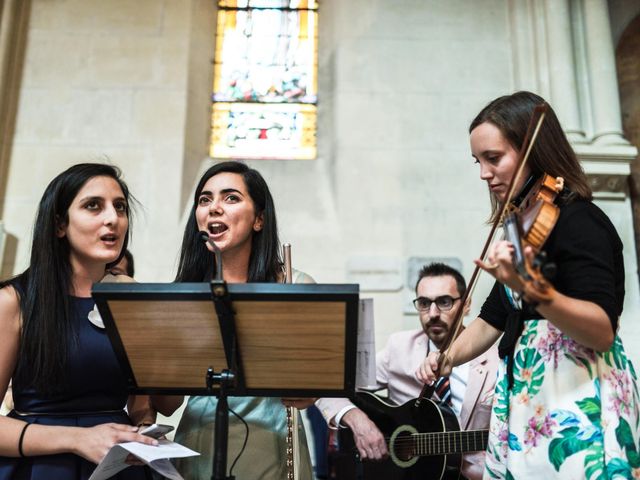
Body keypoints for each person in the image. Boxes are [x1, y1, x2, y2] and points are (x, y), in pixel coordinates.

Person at [418, 91, 640, 479]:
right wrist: (448, 357)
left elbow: (601, 330)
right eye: (478, 161)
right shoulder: (521, 232)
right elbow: (491, 320)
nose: (484, 174)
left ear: (533, 151)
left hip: (579, 394)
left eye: (494, 158)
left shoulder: (580, 221)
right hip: (525, 397)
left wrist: (539, 293)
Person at [0, 163, 158, 480]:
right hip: (42, 467)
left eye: (120, 207)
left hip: (119, 467)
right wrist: (78, 439)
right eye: (93, 206)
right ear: (59, 224)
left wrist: (145, 430)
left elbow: (155, 403)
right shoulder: (13, 301)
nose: (112, 218)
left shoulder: (131, 300)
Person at [171, 161, 314, 479]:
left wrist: (313, 389)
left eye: (231, 198)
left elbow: (316, 379)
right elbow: (167, 402)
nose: (214, 208)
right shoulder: (183, 294)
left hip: (272, 440)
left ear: (259, 219)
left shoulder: (294, 284)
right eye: (205, 200)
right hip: (199, 441)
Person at [317, 262, 499, 480]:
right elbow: (327, 384)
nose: (432, 313)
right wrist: (357, 420)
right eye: (424, 303)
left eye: (444, 302)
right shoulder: (399, 348)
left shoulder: (498, 360)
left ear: (466, 305)